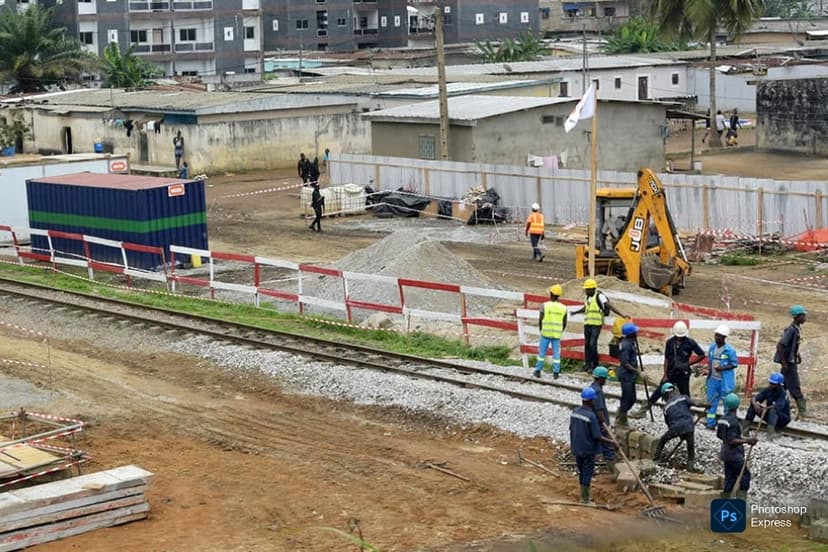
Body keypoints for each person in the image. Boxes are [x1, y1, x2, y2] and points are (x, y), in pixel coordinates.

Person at [633, 321, 705, 418]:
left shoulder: (690, 343)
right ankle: (643, 410)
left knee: (685, 395)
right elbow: (666, 359)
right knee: (659, 391)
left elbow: (701, 354)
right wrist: (665, 375)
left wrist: (688, 363)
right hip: (671, 372)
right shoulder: (670, 342)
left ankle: (687, 415)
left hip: (683, 373)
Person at [570, 279, 628, 374]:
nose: (586, 291)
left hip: (596, 324)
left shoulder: (599, 296)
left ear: (592, 289)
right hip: (588, 323)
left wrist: (621, 314)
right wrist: (575, 312)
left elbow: (609, 306)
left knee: (592, 344)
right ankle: (587, 364)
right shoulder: (587, 297)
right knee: (587, 344)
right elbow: (586, 308)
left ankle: (594, 365)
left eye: (587, 289)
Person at [570, 387, 615, 504]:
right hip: (588, 449)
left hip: (576, 447)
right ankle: (585, 499)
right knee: (587, 472)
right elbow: (597, 436)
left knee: (581, 470)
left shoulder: (575, 412)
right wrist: (612, 442)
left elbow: (572, 428)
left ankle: (584, 495)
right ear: (591, 401)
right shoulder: (591, 416)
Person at [717, 393, 757, 499]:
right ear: (737, 405)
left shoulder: (722, 419)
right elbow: (732, 440)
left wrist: (745, 439)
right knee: (745, 475)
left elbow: (720, 435)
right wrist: (747, 440)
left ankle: (725, 499)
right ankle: (741, 499)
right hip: (734, 455)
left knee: (730, 477)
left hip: (725, 453)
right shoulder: (733, 421)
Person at [653, 382, 699, 472]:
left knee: (663, 440)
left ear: (665, 395)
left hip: (676, 427)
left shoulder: (666, 407)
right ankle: (690, 467)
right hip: (689, 425)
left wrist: (679, 433)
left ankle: (656, 459)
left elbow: (669, 423)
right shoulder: (684, 397)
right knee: (690, 447)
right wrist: (707, 405)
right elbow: (696, 403)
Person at [703, 325, 739, 429]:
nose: (716, 337)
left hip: (725, 382)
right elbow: (710, 362)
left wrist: (722, 368)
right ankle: (710, 423)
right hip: (713, 380)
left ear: (724, 337)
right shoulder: (712, 348)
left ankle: (725, 424)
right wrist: (708, 374)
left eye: (719, 336)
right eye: (716, 335)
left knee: (726, 404)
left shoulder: (730, 350)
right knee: (711, 403)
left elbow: (734, 364)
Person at [775, 305, 807, 418]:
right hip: (789, 364)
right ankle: (802, 412)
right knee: (794, 386)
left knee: (782, 386)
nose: (804, 318)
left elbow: (792, 345)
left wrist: (797, 354)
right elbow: (780, 345)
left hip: (789, 362)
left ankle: (778, 408)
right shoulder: (792, 330)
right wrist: (784, 362)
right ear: (796, 317)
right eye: (802, 315)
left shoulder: (796, 329)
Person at [534, 284, 568, 379]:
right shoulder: (563, 308)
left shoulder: (545, 305)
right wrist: (560, 331)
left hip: (545, 333)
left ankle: (538, 370)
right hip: (556, 334)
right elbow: (564, 322)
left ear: (551, 293)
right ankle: (556, 372)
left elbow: (541, 319)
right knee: (556, 354)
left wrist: (541, 329)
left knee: (542, 353)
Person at [745, 372, 791, 440]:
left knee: (773, 410)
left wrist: (765, 408)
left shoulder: (783, 393)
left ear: (779, 385)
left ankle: (770, 433)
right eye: (771, 383)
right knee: (753, 406)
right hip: (770, 414)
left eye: (773, 384)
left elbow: (778, 406)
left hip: (782, 418)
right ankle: (745, 430)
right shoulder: (768, 390)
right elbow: (755, 398)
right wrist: (755, 405)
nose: (771, 385)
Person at [590, 367, 616, 470]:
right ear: (601, 378)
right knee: (608, 446)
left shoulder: (592, 387)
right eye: (605, 378)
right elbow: (599, 409)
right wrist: (604, 423)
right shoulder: (598, 391)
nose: (605, 380)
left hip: (593, 421)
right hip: (600, 422)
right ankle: (612, 468)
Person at [615, 322, 640, 426]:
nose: (637, 334)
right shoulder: (625, 345)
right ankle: (621, 418)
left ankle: (621, 413)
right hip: (626, 375)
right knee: (627, 398)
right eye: (635, 332)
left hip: (630, 375)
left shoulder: (631, 343)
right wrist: (637, 371)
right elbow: (625, 363)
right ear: (631, 334)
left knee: (632, 398)